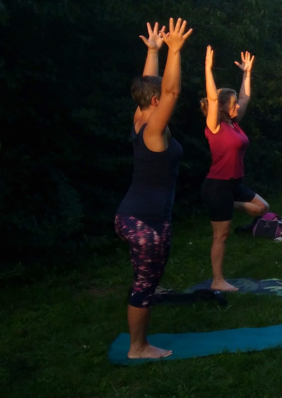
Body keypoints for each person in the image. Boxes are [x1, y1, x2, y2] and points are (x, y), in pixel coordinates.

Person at [114, 19, 192, 359]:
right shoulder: (154, 130)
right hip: (145, 222)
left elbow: (154, 86)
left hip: (135, 216)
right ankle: (138, 347)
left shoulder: (139, 117)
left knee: (146, 281)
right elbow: (171, 92)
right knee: (145, 285)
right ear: (156, 100)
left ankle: (139, 340)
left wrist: (152, 51)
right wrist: (174, 50)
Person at [200, 46, 270, 292]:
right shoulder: (215, 125)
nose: (237, 106)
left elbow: (245, 97)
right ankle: (217, 280)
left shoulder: (234, 123)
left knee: (262, 208)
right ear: (221, 107)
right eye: (233, 104)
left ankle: (226, 206)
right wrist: (208, 70)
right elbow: (211, 99)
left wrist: (247, 74)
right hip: (217, 185)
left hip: (233, 185)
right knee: (222, 235)